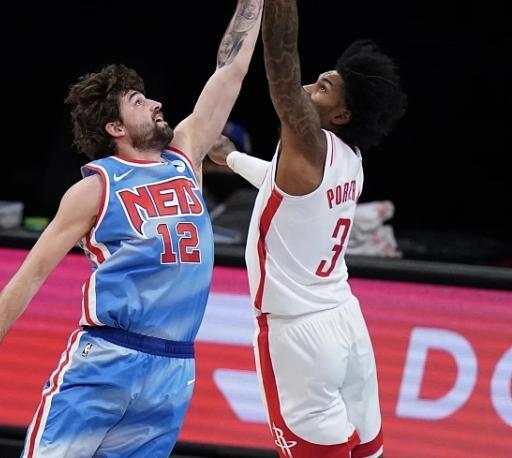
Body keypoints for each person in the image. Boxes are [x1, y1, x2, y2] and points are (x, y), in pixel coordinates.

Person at [0, 2, 263, 457]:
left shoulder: (185, 155)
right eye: (138, 102)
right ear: (115, 127)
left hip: (173, 368)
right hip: (108, 356)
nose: (156, 103)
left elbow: (230, 71)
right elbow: (31, 274)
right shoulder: (95, 187)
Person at [208, 1, 406, 456]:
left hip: (298, 335)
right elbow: (284, 191)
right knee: (368, 451)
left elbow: (282, 64)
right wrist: (232, 158)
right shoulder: (350, 160)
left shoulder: (310, 144)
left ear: (341, 115)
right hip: (345, 320)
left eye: (322, 88)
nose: (305, 88)